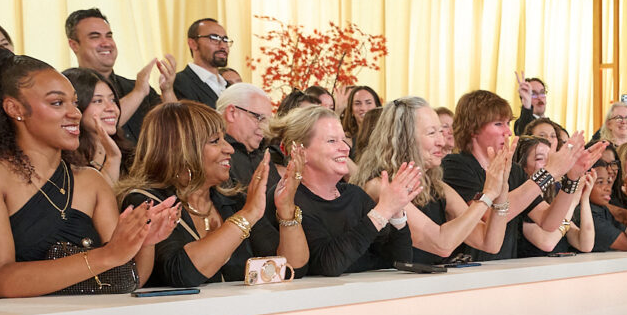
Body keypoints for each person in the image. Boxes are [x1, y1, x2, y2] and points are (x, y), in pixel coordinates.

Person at [0, 49, 180, 296]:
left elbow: (127, 278)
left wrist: (143, 241)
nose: (75, 114)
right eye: (57, 103)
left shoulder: (91, 180)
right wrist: (107, 254)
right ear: (14, 108)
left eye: (74, 102)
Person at [117, 101, 308, 286]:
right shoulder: (147, 203)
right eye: (216, 141)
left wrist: (286, 207)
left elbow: (291, 267)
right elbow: (180, 273)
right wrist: (247, 215)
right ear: (181, 150)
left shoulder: (232, 201)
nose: (230, 149)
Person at [358, 96, 518, 266]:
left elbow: (489, 243)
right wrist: (487, 194)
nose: (442, 142)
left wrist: (501, 188)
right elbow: (442, 244)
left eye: (441, 132)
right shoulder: (380, 187)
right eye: (432, 133)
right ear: (404, 138)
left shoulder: (437, 187)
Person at [440, 89, 587, 260]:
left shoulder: (514, 171)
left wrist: (571, 179)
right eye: (498, 124)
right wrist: (548, 173)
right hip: (467, 273)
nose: (508, 132)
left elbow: (549, 222)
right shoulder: (455, 165)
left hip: (506, 270)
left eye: (508, 124)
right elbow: (487, 215)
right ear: (473, 128)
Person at [276, 103, 419, 276]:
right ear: (300, 151)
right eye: (332, 141)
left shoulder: (354, 195)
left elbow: (400, 261)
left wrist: (396, 213)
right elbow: (329, 265)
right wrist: (383, 210)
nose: (345, 148)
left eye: (343, 139)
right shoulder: (289, 200)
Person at [64, 7, 175, 145]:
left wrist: (168, 90)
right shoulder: (66, 88)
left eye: (109, 36)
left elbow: (177, 129)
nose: (106, 43)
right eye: (95, 37)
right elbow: (91, 131)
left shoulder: (136, 87)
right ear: (74, 45)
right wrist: (138, 93)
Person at [60, 68, 133, 185]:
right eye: (98, 101)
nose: (111, 108)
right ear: (76, 106)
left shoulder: (128, 155)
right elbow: (93, 202)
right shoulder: (61, 161)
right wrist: (113, 159)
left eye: (113, 100)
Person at [214, 82, 276, 188]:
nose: (265, 128)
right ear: (232, 113)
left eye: (268, 121)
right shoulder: (216, 157)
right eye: (260, 118)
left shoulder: (262, 156)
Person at [172, 18, 231, 107]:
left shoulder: (228, 85)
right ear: (193, 44)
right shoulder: (180, 82)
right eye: (214, 38)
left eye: (225, 40)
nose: (223, 46)